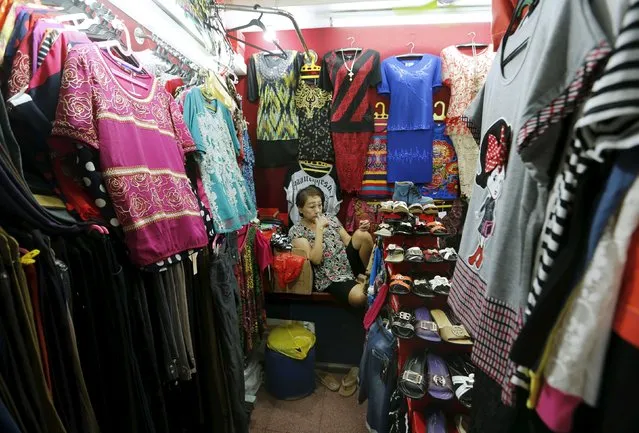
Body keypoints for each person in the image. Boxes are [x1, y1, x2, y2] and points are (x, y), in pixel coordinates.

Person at [289, 185, 374, 307]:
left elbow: (348, 241)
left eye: (320, 205)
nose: (318, 210)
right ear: (300, 209)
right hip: (329, 276)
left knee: (363, 235)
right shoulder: (296, 231)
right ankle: (364, 285)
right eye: (312, 206)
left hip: (347, 263)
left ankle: (370, 277)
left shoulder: (330, 218)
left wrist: (360, 229)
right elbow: (316, 260)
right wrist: (319, 229)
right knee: (360, 298)